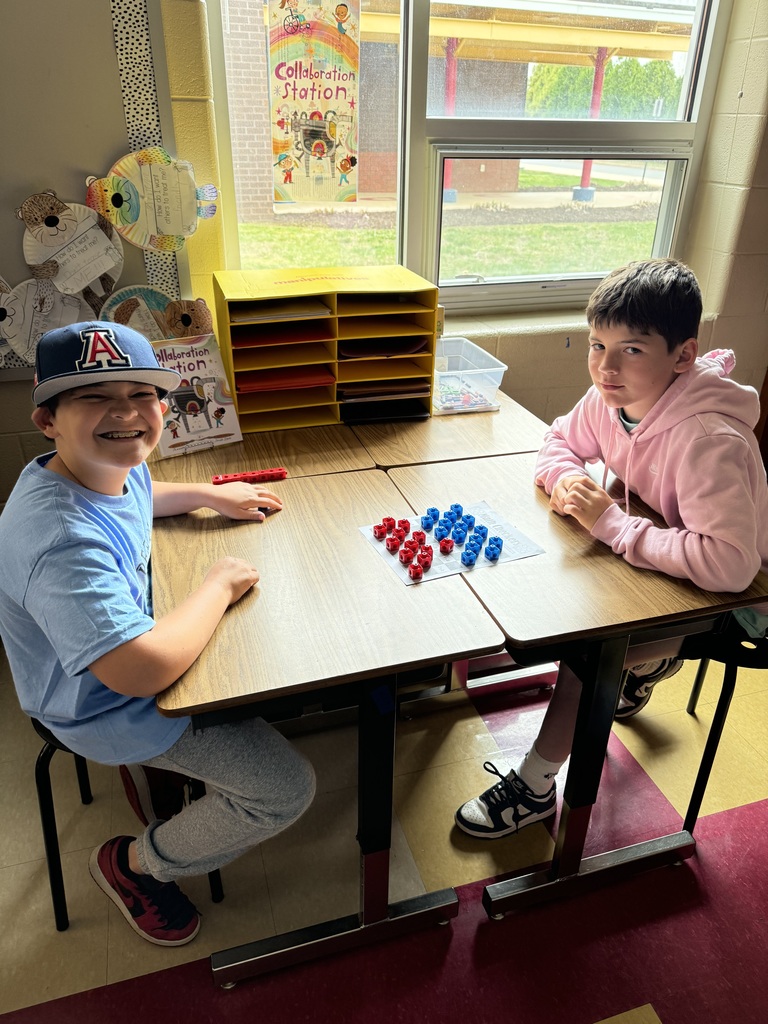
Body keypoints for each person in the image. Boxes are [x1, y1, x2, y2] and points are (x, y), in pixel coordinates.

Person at [0, 321, 316, 944]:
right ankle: (137, 865)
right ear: (47, 420)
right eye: (93, 397)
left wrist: (206, 494)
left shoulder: (99, 462)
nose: (126, 413)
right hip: (103, 704)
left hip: (127, 658)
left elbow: (139, 493)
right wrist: (216, 587)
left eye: (142, 394)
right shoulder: (58, 538)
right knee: (284, 788)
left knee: (274, 664)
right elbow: (139, 671)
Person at [455, 258, 768, 840]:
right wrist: (562, 479)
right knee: (574, 600)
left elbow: (732, 566)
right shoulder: (611, 397)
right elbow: (558, 439)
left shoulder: (708, 440)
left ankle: (536, 786)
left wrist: (614, 526)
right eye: (597, 345)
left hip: (734, 603)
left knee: (587, 656)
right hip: (664, 567)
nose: (605, 366)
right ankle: (649, 661)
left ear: (682, 355)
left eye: (631, 349)